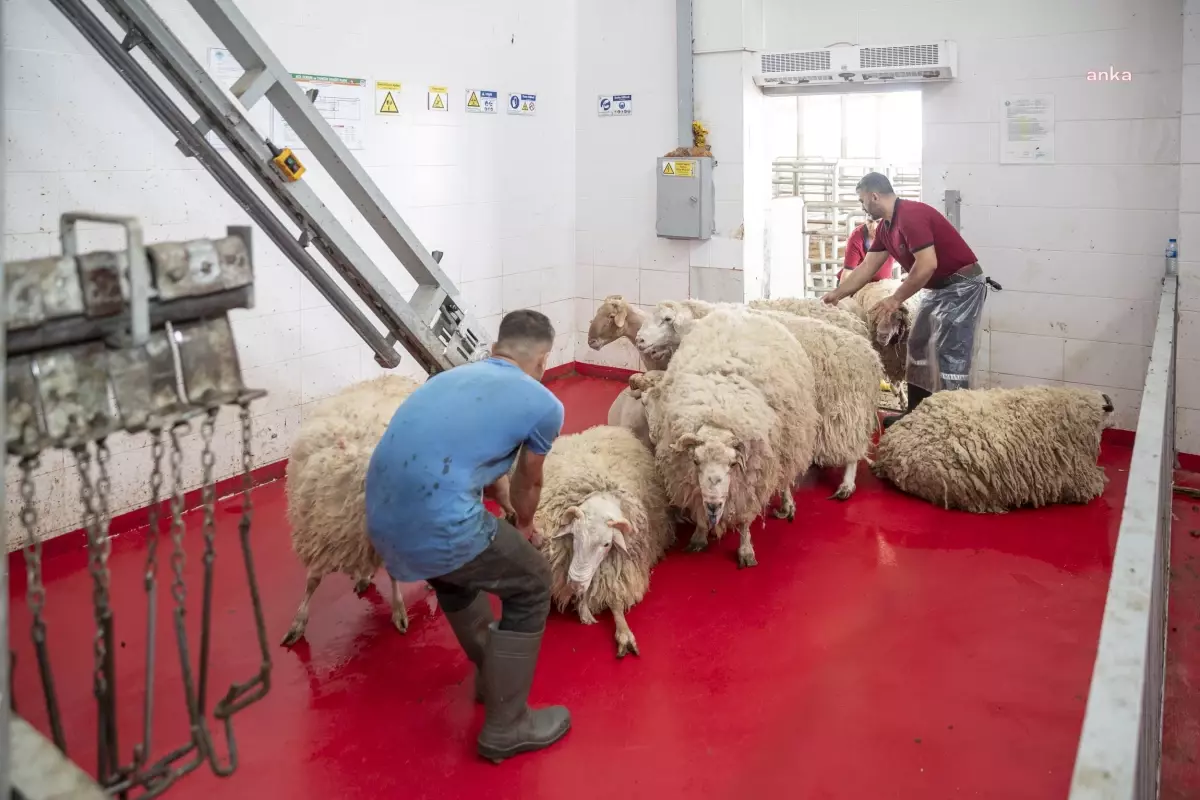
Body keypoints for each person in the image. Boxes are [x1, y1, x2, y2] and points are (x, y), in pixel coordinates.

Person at [364, 309, 570, 762]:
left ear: (497, 348)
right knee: (533, 580)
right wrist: (523, 525)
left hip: (383, 518)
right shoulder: (542, 401)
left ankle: (490, 677)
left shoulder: (449, 379)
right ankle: (508, 726)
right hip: (438, 521)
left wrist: (501, 509)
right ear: (543, 359)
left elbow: (475, 458)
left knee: (458, 572)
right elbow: (528, 481)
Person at [822, 172, 993, 427]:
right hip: (939, 288)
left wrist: (894, 299)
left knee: (951, 355)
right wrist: (836, 295)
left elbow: (927, 265)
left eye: (862, 200)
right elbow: (867, 267)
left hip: (961, 287)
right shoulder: (886, 227)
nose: (862, 206)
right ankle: (915, 415)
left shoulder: (910, 216)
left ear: (874, 196)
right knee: (918, 344)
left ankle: (956, 424)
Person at [837, 217, 895, 286]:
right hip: (857, 286)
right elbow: (848, 272)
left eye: (878, 222)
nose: (874, 227)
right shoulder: (857, 238)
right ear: (865, 220)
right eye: (870, 221)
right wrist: (842, 294)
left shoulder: (894, 233)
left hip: (883, 285)